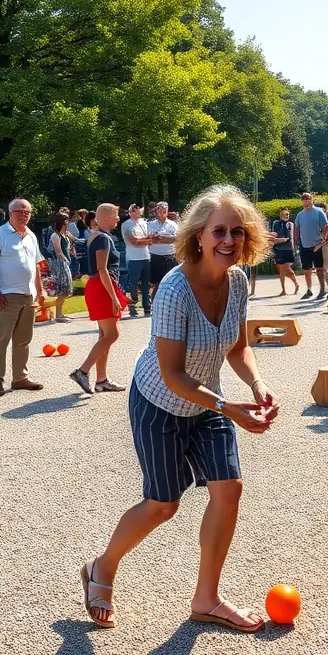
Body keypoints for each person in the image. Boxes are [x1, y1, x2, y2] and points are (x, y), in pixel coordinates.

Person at [80, 185, 277, 632]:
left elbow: (238, 347)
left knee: (229, 490)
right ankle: (101, 566)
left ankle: (206, 599)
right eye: (219, 231)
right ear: (199, 236)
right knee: (162, 505)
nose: (229, 240)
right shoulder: (174, 288)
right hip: (160, 402)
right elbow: (172, 375)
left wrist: (258, 383)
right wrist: (231, 408)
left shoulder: (239, 280)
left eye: (238, 232)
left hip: (208, 399)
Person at [0, 199, 46, 397]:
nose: (23, 214)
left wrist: (40, 289)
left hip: (28, 295)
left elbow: (35, 265)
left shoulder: (31, 235)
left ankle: (20, 377)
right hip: (6, 294)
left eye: (27, 211)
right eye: (19, 211)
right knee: (1, 340)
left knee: (23, 340)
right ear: (9, 213)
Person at [70, 204, 129, 395]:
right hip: (103, 286)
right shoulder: (102, 238)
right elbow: (102, 269)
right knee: (112, 335)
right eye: (115, 216)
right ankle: (82, 371)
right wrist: (113, 297)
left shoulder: (96, 236)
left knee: (105, 336)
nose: (118, 219)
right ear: (105, 218)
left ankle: (101, 380)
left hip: (98, 286)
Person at [294, 193, 328, 300]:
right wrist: (295, 241)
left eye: (308, 200)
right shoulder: (300, 214)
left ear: (311, 200)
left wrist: (323, 238)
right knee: (307, 269)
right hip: (304, 245)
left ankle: (322, 289)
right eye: (304, 201)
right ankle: (309, 289)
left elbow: (325, 226)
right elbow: (296, 227)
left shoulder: (318, 211)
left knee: (319, 268)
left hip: (317, 245)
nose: (306, 203)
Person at [122, 204, 152, 318]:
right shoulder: (126, 225)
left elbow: (149, 239)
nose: (138, 212)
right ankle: (132, 305)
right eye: (135, 211)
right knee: (132, 284)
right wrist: (146, 240)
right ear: (131, 212)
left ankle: (147, 306)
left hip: (145, 256)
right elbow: (134, 241)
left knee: (146, 284)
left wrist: (144, 241)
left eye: (138, 210)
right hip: (133, 258)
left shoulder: (144, 223)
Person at [48, 212, 74, 323]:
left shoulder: (66, 234)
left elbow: (74, 241)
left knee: (67, 290)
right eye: (66, 220)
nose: (68, 222)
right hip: (60, 265)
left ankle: (60, 313)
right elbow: (59, 252)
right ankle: (58, 314)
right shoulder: (55, 235)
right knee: (63, 289)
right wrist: (67, 261)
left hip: (65, 264)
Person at [148, 202, 179, 296]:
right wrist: (165, 239)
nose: (162, 213)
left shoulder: (172, 224)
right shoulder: (150, 224)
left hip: (169, 256)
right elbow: (150, 240)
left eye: (164, 211)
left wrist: (159, 239)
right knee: (156, 284)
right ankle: (154, 305)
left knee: (170, 282)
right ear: (156, 211)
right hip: (155, 257)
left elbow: (175, 239)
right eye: (160, 211)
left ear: (167, 211)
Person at [270, 208, 299, 296]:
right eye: (284, 214)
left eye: (287, 215)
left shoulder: (290, 224)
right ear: (280, 215)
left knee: (287, 269)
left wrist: (294, 249)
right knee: (281, 270)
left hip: (288, 249)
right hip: (278, 248)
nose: (286, 216)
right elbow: (273, 235)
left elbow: (292, 237)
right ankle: (283, 290)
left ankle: (296, 284)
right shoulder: (276, 223)